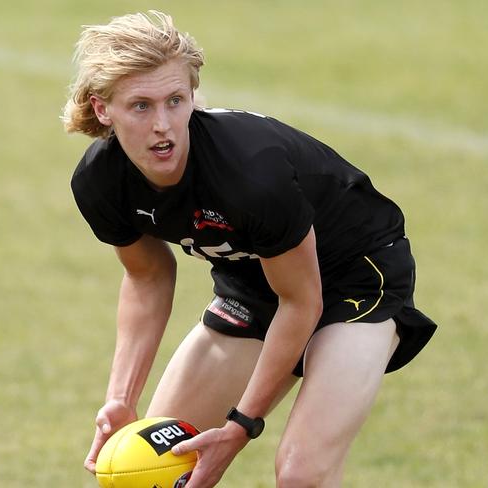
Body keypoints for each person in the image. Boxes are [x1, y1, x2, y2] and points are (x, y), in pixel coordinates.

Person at [63, 10, 437, 488]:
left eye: (176, 100)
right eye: (141, 106)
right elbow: (148, 276)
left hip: (355, 279)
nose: (164, 125)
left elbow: (302, 302)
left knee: (301, 474)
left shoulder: (250, 174)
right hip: (256, 285)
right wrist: (121, 396)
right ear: (102, 109)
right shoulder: (101, 181)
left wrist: (241, 425)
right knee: (154, 466)